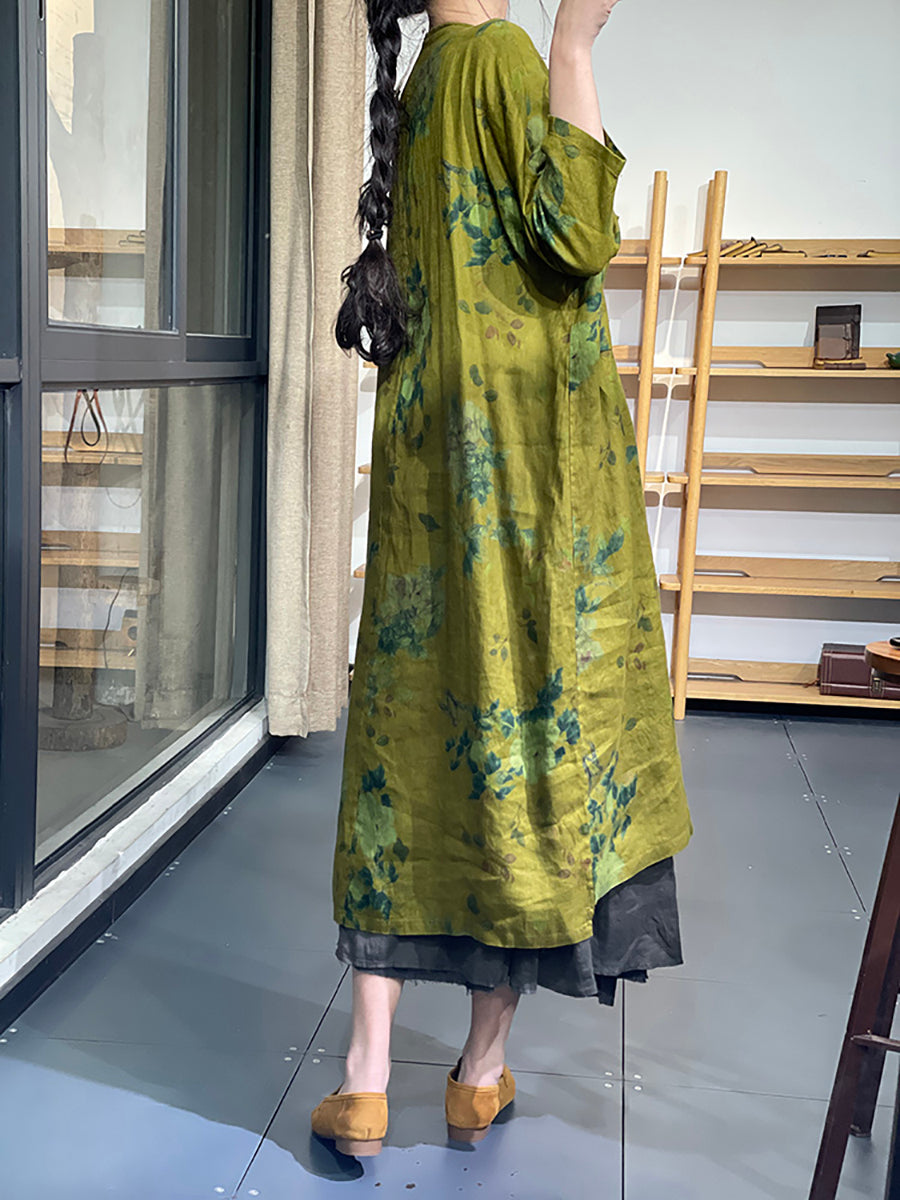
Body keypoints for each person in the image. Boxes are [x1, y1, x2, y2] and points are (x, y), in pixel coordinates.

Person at [312, 0, 693, 1157]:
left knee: (412, 741)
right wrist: (575, 46)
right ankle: (479, 1071)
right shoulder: (509, 57)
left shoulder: (427, 77)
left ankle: (366, 1078)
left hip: (434, 479)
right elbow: (576, 236)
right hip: (531, 481)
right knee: (527, 741)